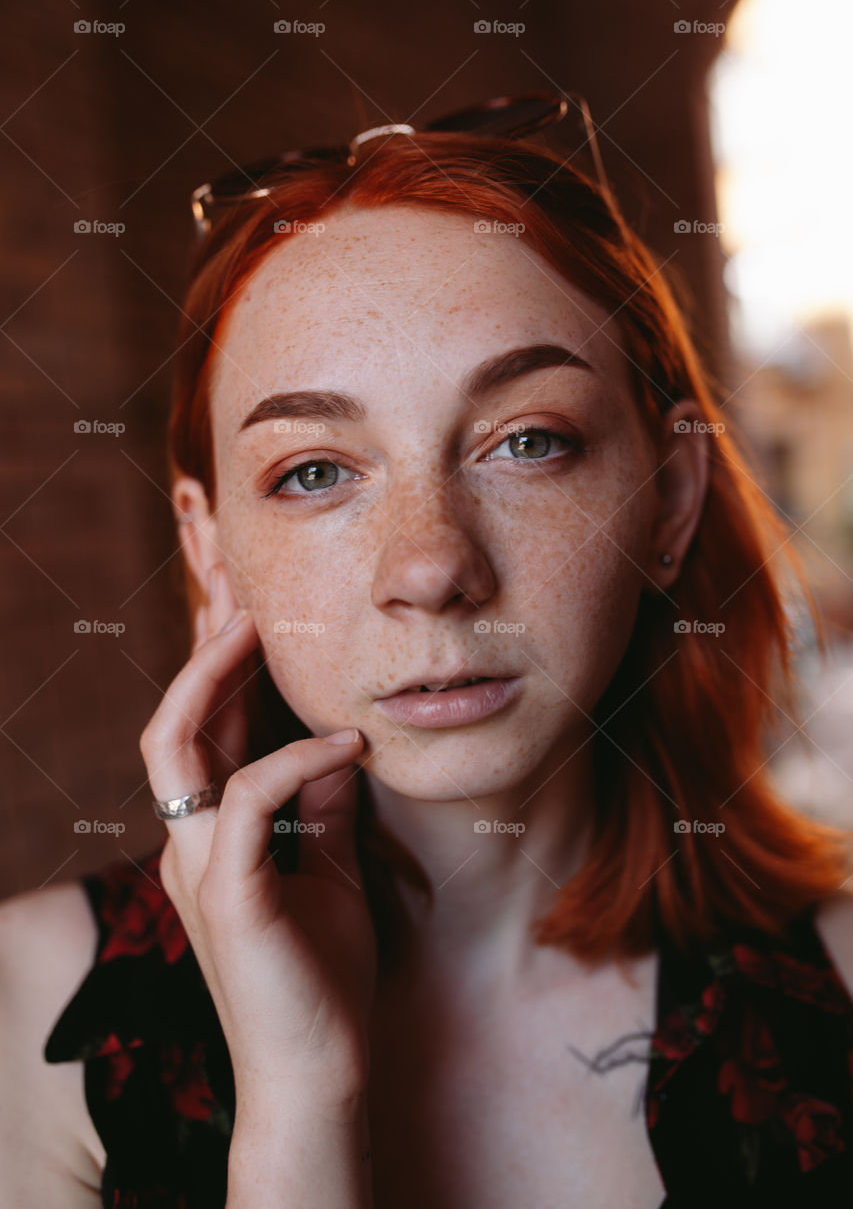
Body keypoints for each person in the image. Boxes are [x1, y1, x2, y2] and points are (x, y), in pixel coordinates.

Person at [2, 96, 852, 1209]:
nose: (431, 565)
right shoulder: (28, 1004)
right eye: (314, 471)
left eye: (527, 441)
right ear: (211, 548)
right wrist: (301, 1105)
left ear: (669, 502)